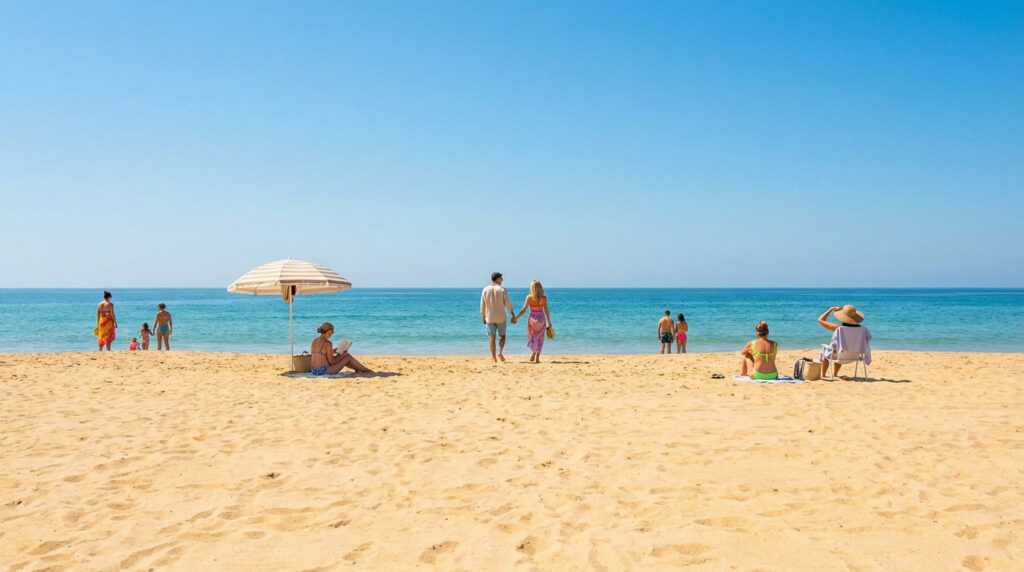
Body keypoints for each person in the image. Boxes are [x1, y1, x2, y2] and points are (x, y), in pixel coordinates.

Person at [817, 305, 872, 375]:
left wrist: (831, 309)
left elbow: (820, 320)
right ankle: (835, 374)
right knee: (839, 347)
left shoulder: (839, 329)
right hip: (855, 357)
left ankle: (823, 375)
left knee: (833, 349)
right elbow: (868, 339)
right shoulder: (864, 330)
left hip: (840, 357)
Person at [514, 280, 553, 364]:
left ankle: (533, 353)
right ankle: (537, 358)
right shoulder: (544, 298)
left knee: (533, 337)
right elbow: (546, 311)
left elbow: (523, 310)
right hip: (541, 319)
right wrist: (549, 322)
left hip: (532, 320)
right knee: (540, 338)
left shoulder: (529, 297)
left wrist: (516, 318)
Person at [480, 272, 516, 362]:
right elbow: (508, 304)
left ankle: (493, 357)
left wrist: (483, 316)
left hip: (489, 317)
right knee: (502, 336)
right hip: (501, 317)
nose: (502, 280)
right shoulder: (502, 290)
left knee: (492, 338)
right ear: (497, 279)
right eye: (501, 278)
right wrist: (512, 314)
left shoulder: (485, 289)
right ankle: (500, 352)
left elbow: (482, 304)